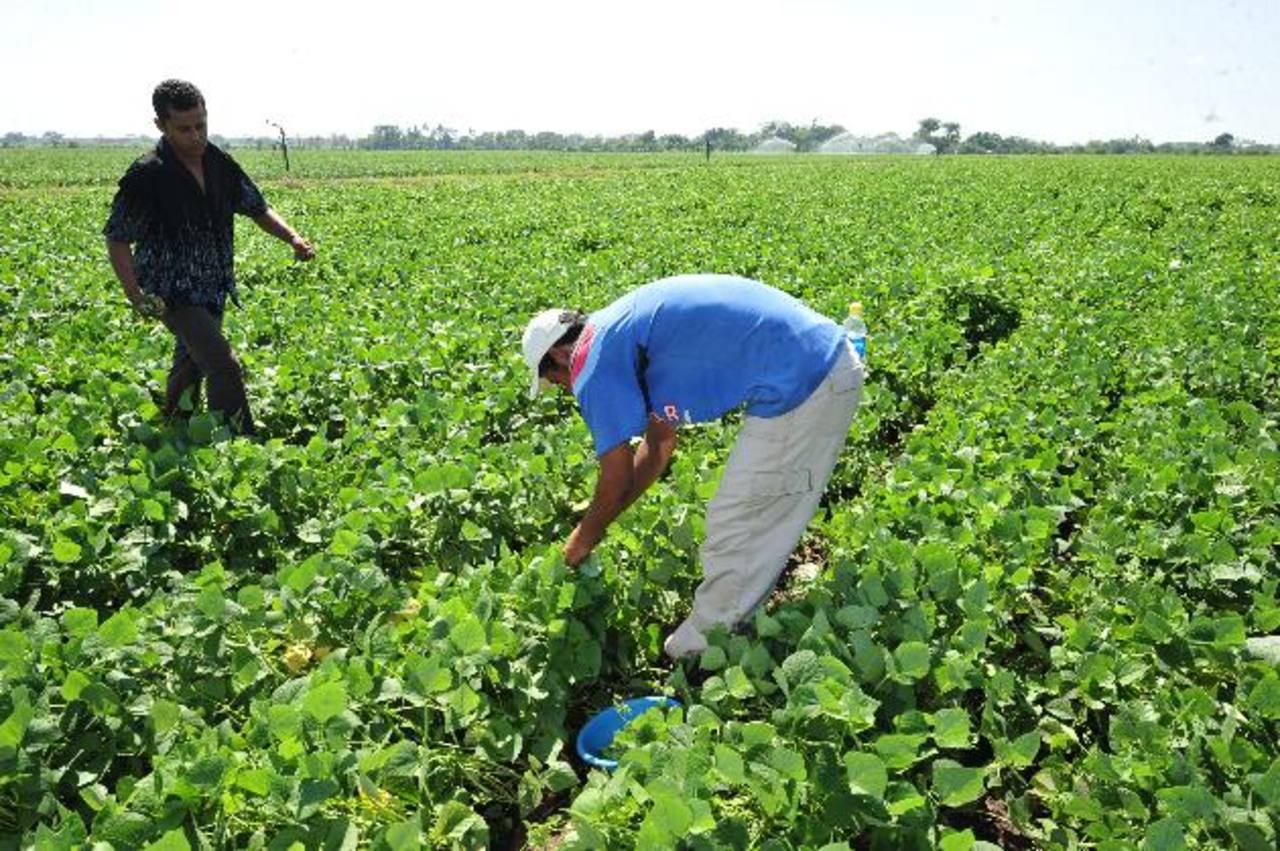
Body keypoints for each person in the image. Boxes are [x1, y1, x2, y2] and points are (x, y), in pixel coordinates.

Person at [522, 274, 863, 659]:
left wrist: (584, 536)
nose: (567, 391)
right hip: (815, 362)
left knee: (739, 518)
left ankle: (707, 645)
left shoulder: (590, 362)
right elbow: (659, 444)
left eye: (555, 382)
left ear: (558, 357)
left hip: (809, 380)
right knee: (749, 507)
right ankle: (737, 616)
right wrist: (606, 516)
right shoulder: (620, 334)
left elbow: (615, 476)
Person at [104, 79, 315, 435]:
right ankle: (236, 444)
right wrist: (134, 294)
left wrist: (292, 237)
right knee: (222, 364)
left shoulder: (220, 164)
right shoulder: (148, 175)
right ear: (161, 126)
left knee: (191, 363)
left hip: (213, 285)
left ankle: (172, 427)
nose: (196, 135)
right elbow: (118, 237)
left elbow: (257, 208)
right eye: (184, 129)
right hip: (170, 290)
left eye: (201, 124)